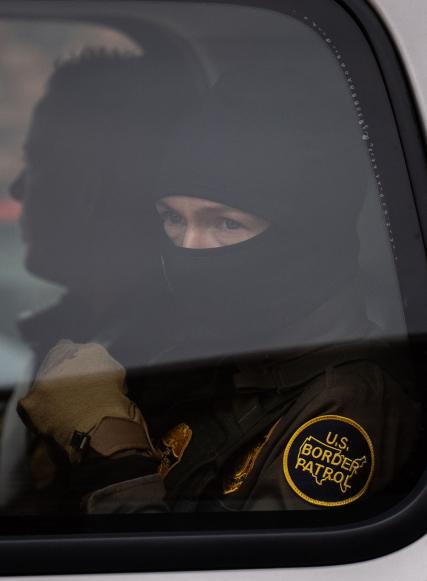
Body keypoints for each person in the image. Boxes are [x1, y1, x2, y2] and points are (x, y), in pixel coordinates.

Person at [16, 64, 421, 513]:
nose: (188, 250)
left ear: (308, 235)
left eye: (226, 223)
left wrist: (109, 450)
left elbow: (227, 580)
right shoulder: (203, 352)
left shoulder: (348, 407)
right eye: (172, 218)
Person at [1, 47, 203, 510]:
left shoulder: (153, 373)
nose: (16, 189)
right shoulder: (73, 330)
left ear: (87, 188)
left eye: (35, 163)